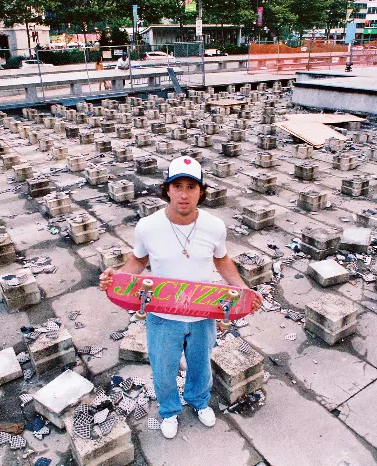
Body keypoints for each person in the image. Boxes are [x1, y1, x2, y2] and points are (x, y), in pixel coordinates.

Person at [99, 156, 262, 440]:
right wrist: (118, 282)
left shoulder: (214, 226)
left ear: (201, 191)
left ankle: (199, 403)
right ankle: (170, 410)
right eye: (177, 186)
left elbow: (222, 261)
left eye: (191, 186)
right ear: (167, 190)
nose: (184, 194)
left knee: (200, 366)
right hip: (163, 316)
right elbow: (137, 262)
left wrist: (245, 290)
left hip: (203, 313)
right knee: (163, 369)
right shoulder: (147, 227)